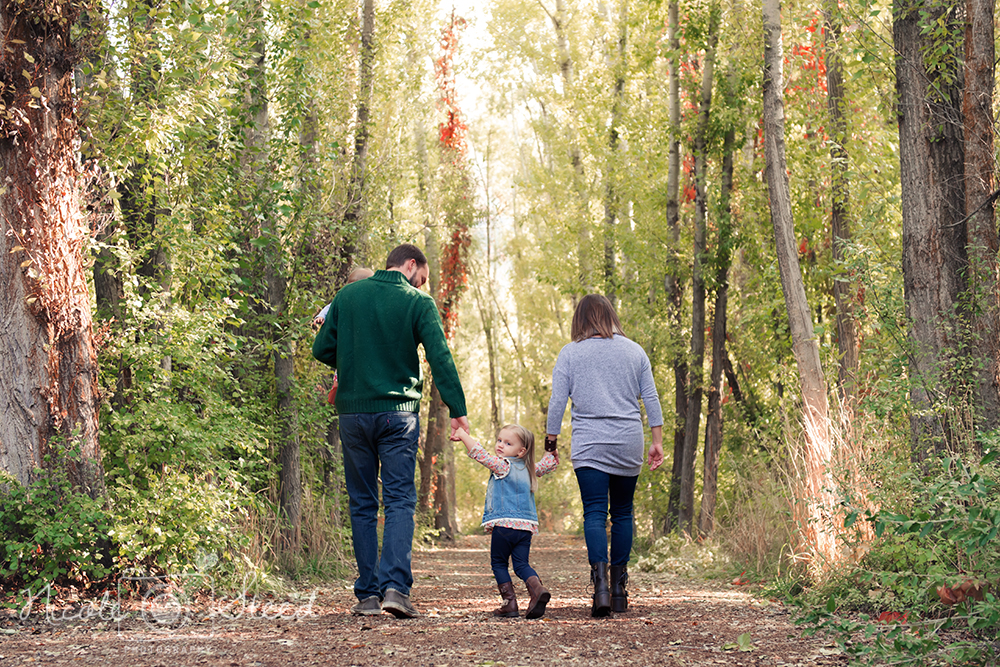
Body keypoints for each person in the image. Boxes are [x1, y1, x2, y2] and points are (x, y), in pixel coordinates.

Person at [313, 244, 469, 619]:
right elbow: (439, 357)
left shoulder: (348, 295)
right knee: (399, 500)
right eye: (423, 277)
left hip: (353, 415)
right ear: (410, 265)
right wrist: (457, 410)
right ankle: (396, 590)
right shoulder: (416, 302)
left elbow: (321, 349)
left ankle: (367, 595)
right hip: (398, 416)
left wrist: (356, 356)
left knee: (362, 503)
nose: (423, 284)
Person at [545, 294, 664, 617]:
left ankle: (599, 589)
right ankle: (619, 590)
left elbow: (558, 400)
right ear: (611, 316)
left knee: (595, 513)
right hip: (628, 441)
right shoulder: (634, 351)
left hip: (589, 445)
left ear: (580, 320)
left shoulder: (571, 354)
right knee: (623, 513)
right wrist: (657, 441)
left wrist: (550, 441)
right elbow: (650, 398)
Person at [453, 424, 559, 619]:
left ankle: (509, 603)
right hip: (525, 528)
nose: (500, 445)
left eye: (508, 443)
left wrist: (462, 434)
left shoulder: (503, 466)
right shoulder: (530, 469)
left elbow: (479, 453)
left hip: (504, 527)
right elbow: (548, 463)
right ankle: (537, 589)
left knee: (499, 564)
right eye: (499, 440)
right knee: (521, 564)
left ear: (521, 451)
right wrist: (552, 451)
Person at [312, 267, 374, 405]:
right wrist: (321, 317)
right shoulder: (342, 302)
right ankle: (338, 385)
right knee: (343, 370)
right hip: (347, 347)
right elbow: (330, 307)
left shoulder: (370, 305)